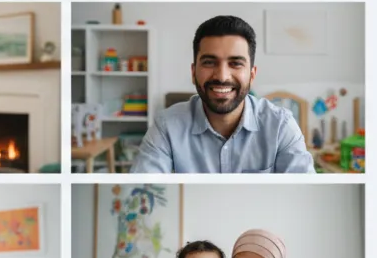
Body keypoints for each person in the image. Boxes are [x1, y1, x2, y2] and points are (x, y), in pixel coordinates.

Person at [130, 15, 313, 173]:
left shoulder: (281, 126)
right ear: (193, 72)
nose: (222, 76)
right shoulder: (167, 127)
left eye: (235, 63)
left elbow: (303, 194)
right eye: (209, 62)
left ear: (252, 74)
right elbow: (143, 189)